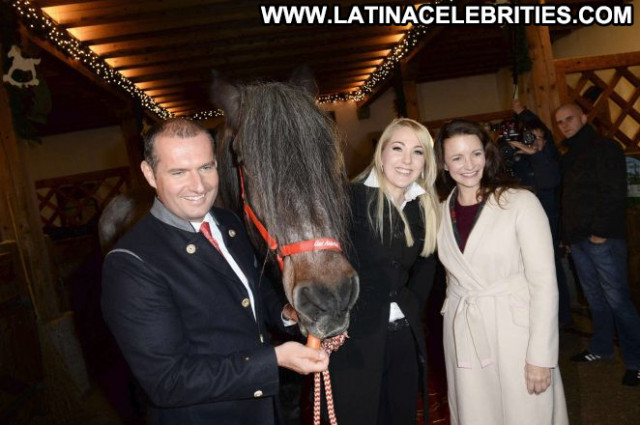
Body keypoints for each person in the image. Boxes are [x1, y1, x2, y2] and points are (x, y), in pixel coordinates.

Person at [101, 118, 328, 425]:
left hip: (262, 412)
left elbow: (252, 290)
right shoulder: (130, 262)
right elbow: (169, 382)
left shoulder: (229, 222)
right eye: (179, 172)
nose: (199, 186)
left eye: (206, 167)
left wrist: (289, 314)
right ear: (149, 174)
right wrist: (274, 359)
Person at [434, 119, 568, 424]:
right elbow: (450, 277)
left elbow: (545, 285)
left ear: (487, 154)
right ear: (443, 163)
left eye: (476, 154)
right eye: (456, 157)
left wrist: (541, 357)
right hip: (465, 333)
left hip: (516, 334)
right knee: (476, 413)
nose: (468, 165)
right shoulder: (439, 211)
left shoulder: (520, 202)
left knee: (525, 414)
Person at [329, 118, 440, 425]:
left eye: (417, 152)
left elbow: (427, 262)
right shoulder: (348, 199)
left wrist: (413, 306)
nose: (406, 160)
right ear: (381, 153)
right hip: (355, 339)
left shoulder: (423, 205)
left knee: (402, 416)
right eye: (398, 148)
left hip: (404, 336)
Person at [555, 103, 640, 386]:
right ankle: (601, 348)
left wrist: (600, 233)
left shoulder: (605, 147)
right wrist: (569, 237)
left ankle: (637, 362)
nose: (565, 125)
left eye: (569, 119)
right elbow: (570, 198)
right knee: (596, 300)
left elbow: (614, 190)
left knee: (618, 301)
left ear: (583, 117)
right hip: (580, 240)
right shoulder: (570, 154)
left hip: (602, 239)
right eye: (560, 122)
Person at [509, 99, 572, 326]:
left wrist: (524, 112)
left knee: (552, 271)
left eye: (539, 138)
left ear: (547, 141)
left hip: (550, 227)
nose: (535, 143)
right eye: (530, 138)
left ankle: (562, 319)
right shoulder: (520, 163)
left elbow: (548, 181)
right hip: (525, 229)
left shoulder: (549, 160)